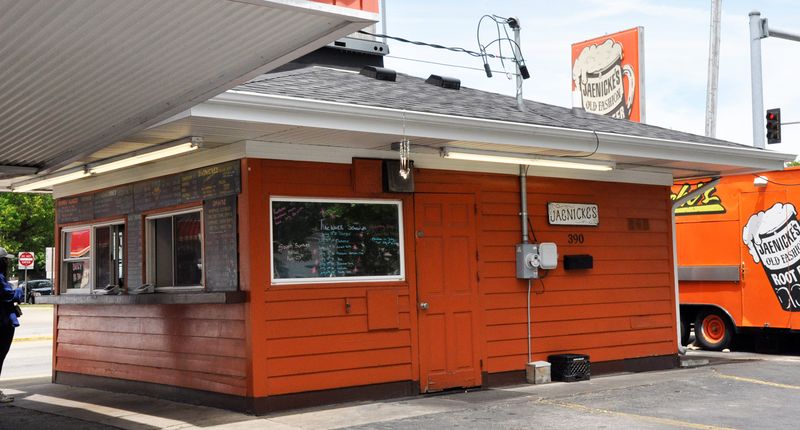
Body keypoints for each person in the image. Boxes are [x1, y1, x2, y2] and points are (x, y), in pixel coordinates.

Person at [0, 247, 22, 403]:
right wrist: (20, 290)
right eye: (6, 259)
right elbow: (9, 295)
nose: (8, 262)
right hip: (2, 322)